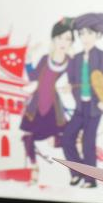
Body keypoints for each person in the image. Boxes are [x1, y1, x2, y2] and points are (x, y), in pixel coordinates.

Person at [62, 12, 103, 187]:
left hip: (94, 106)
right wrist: (69, 87)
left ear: (97, 35)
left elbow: (101, 80)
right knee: (67, 138)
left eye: (89, 33)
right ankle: (77, 172)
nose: (85, 37)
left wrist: (101, 100)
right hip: (80, 106)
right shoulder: (75, 58)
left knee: (88, 143)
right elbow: (71, 80)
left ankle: (90, 179)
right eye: (82, 33)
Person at [21, 17, 74, 182]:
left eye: (68, 39)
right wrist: (28, 58)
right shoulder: (45, 59)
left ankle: (75, 168)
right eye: (60, 38)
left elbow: (75, 82)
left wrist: (71, 87)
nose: (63, 42)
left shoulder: (71, 62)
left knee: (58, 139)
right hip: (37, 104)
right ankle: (34, 166)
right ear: (54, 39)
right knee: (28, 137)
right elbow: (33, 77)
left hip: (54, 107)